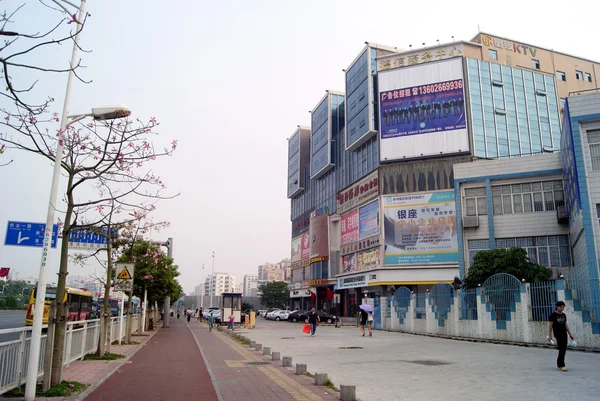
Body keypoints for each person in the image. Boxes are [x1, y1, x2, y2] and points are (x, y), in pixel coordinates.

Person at [548, 301, 575, 371]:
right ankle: (561, 365)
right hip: (557, 333)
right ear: (557, 307)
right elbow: (550, 325)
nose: (562, 308)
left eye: (563, 307)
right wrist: (550, 335)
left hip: (564, 333)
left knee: (563, 348)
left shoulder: (564, 315)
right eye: (560, 307)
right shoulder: (553, 315)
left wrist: (570, 334)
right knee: (562, 348)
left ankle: (560, 364)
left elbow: (565, 324)